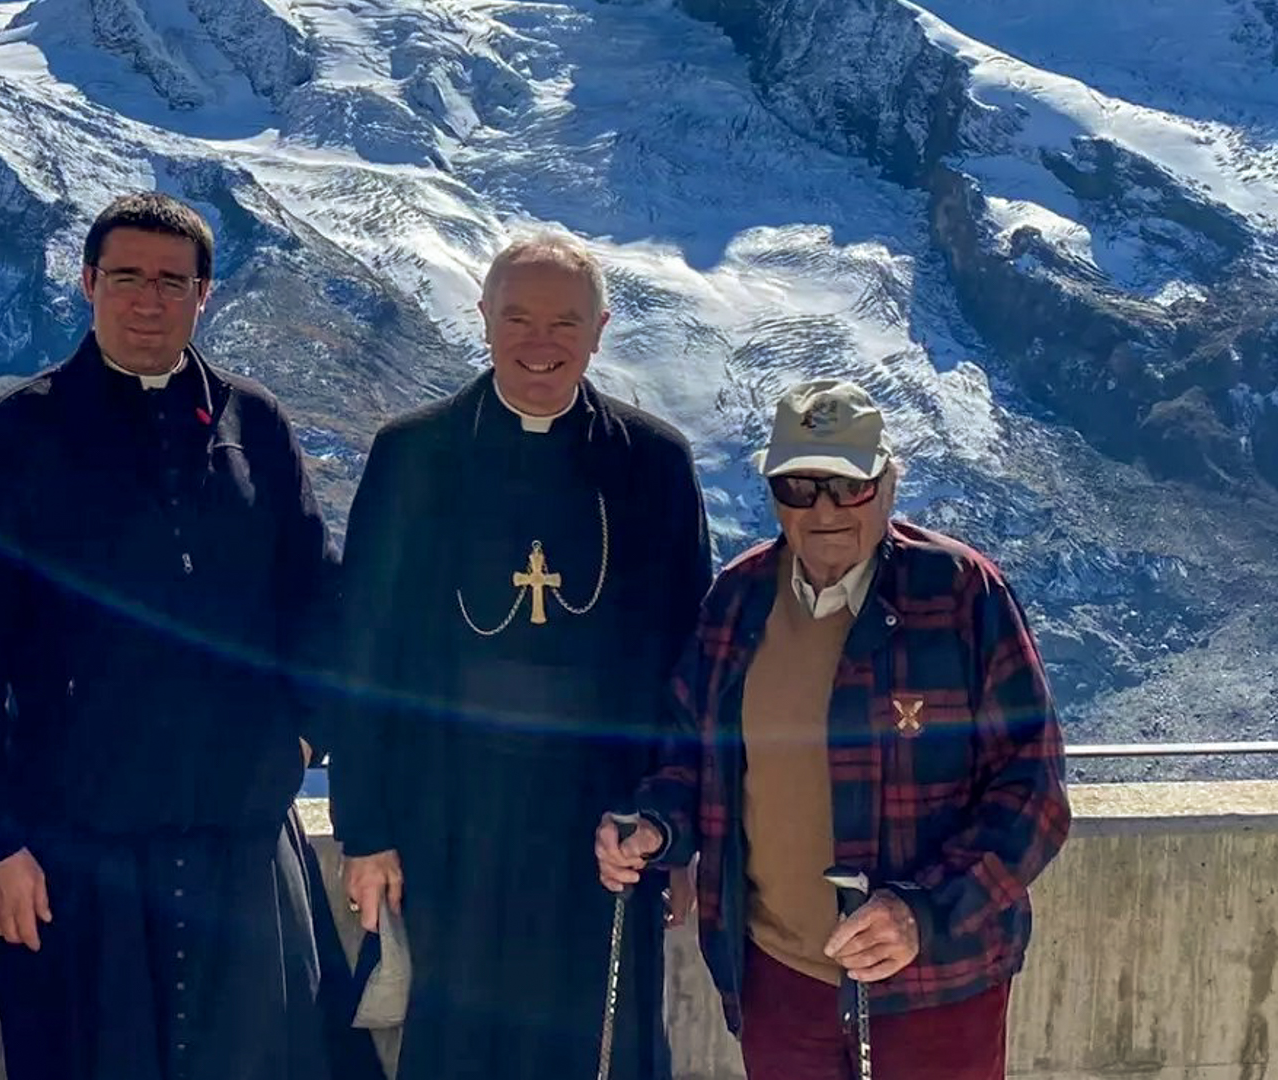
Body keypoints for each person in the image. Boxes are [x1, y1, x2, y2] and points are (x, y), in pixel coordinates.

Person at [0, 192, 341, 1080]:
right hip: (78, 846)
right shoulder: (14, 436)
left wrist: (300, 735)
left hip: (239, 832)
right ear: (87, 284)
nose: (147, 300)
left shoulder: (255, 426)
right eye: (126, 278)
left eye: (171, 281)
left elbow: (313, 601)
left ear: (205, 294)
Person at [597, 379, 1071, 1079]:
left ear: (886, 485)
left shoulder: (961, 593)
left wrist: (922, 913)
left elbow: (1034, 791)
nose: (823, 510)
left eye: (847, 486)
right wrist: (656, 827)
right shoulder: (738, 598)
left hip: (933, 985)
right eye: (799, 487)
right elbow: (690, 757)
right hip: (777, 980)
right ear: (773, 495)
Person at [326, 231, 711, 1078]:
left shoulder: (652, 464)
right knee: (462, 1044)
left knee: (605, 1045)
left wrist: (684, 837)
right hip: (451, 814)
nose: (541, 344)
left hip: (605, 820)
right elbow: (361, 653)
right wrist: (365, 828)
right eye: (519, 319)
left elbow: (692, 671)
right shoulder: (414, 454)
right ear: (484, 320)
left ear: (600, 329)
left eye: (564, 322)